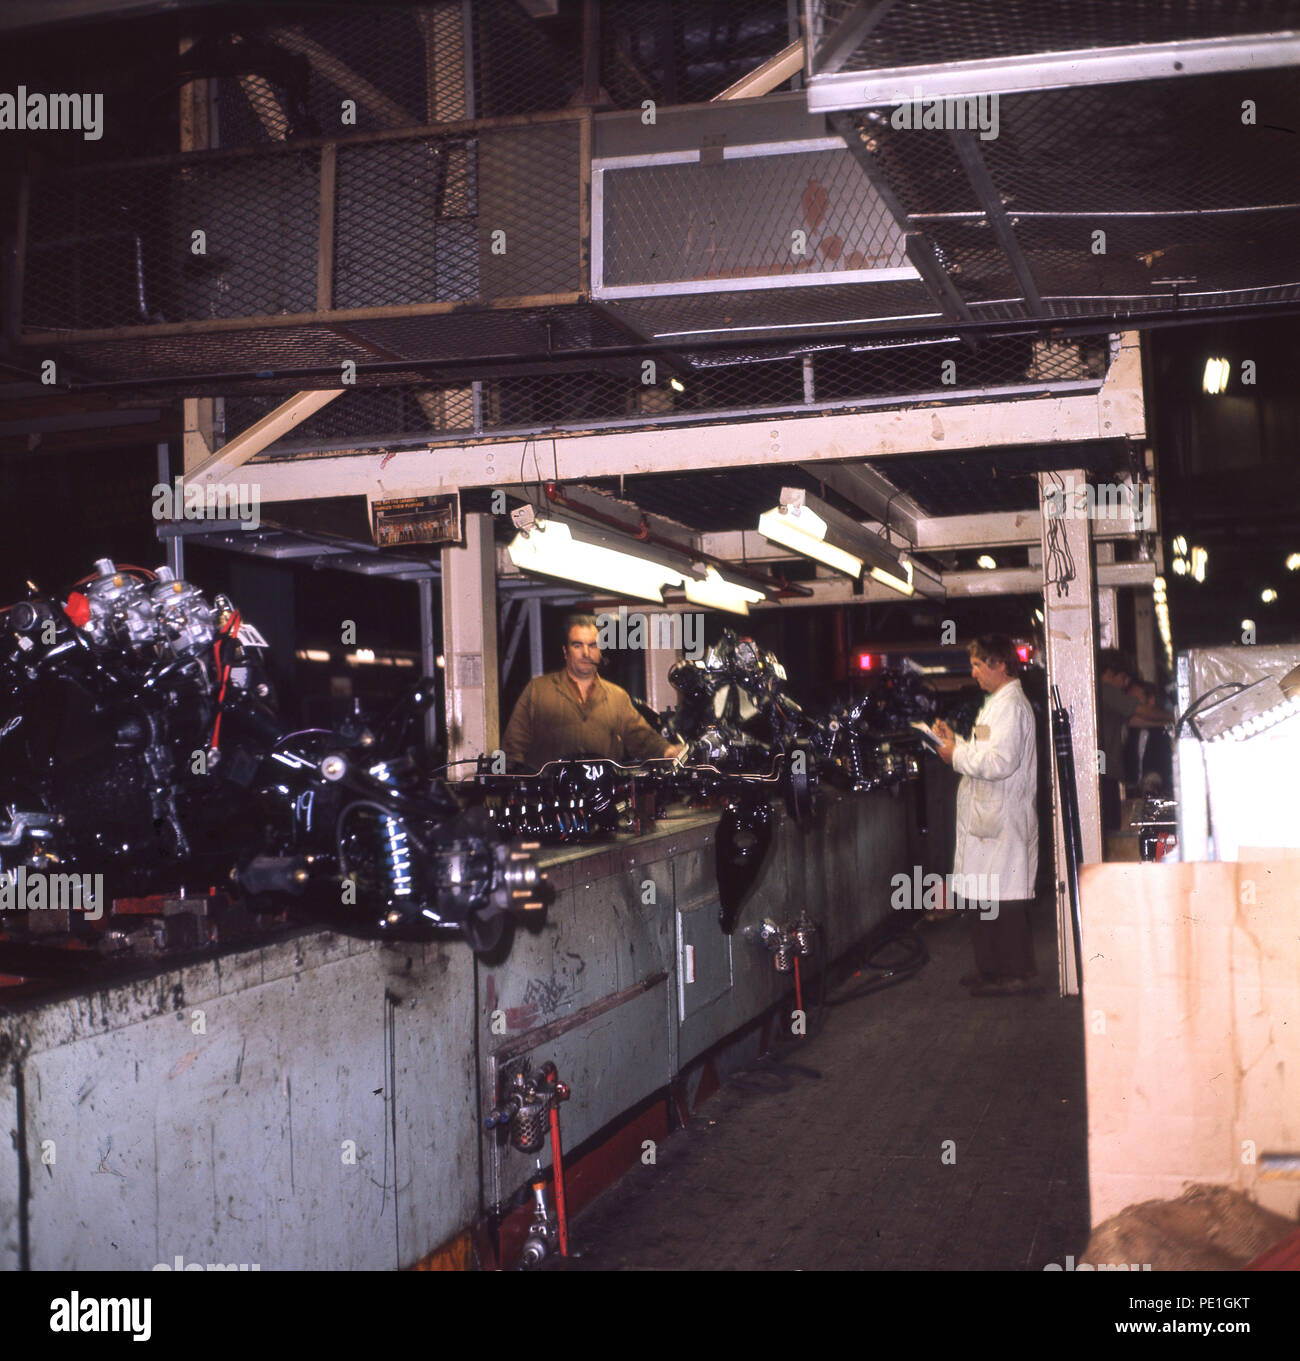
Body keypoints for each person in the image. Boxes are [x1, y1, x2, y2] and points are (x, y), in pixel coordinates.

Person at [933, 635, 1039, 997]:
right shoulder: (994, 705)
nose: (974, 671)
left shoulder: (1011, 707)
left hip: (1002, 822)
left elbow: (1000, 762)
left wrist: (956, 757)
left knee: (1003, 903)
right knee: (983, 899)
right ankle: (992, 971)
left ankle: (1015, 974)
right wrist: (956, 743)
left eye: (979, 664)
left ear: (1000, 664)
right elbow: (983, 750)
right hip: (986, 822)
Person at [501, 613, 686, 771]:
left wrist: (668, 751)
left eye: (592, 645)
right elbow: (513, 746)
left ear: (600, 651)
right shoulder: (538, 691)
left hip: (602, 799)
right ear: (566, 652)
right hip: (550, 802)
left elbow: (641, 738)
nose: (586, 653)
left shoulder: (617, 696)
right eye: (577, 645)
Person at [1098, 651, 1171, 834]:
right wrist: (1174, 716)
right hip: (1105, 773)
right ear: (1110, 673)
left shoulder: (1103, 696)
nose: (1124, 685)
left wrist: (1169, 722)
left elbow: (1134, 720)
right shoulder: (1105, 690)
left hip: (1106, 771)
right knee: (1110, 828)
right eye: (1123, 679)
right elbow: (1140, 712)